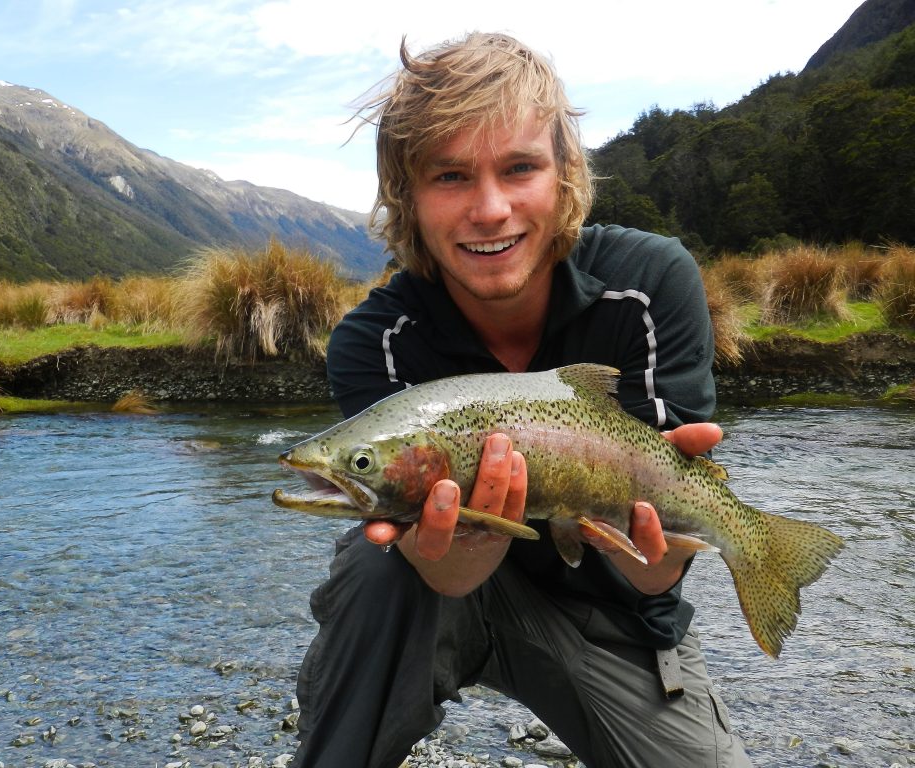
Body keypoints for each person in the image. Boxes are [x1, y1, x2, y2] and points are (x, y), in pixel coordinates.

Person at [293, 32, 751, 768]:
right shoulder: (372, 341)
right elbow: (440, 569)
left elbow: (656, 561)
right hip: (436, 594)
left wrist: (660, 557)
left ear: (564, 175)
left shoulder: (650, 283)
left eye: (520, 168)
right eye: (449, 176)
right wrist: (461, 541)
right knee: (373, 565)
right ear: (406, 197)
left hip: (613, 609)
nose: (490, 208)